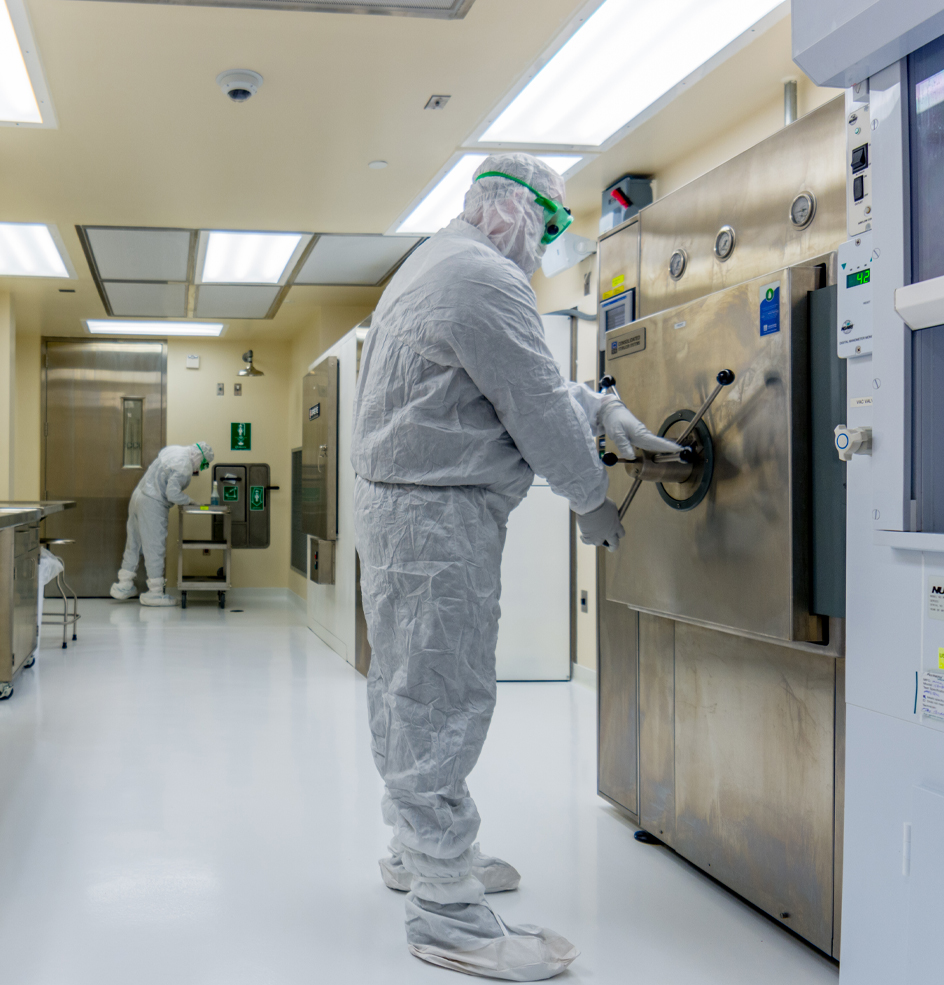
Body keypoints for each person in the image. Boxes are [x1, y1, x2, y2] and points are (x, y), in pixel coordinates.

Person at [352, 153, 679, 980]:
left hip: (404, 510)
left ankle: (418, 850)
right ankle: (447, 909)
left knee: (405, 686)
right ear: (519, 214)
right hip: (437, 518)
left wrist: (603, 406)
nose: (543, 249)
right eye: (549, 228)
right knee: (439, 692)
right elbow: (530, 402)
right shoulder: (484, 278)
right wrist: (590, 497)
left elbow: (503, 382)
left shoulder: (436, 260)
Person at [110, 442, 215, 607]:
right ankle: (155, 593)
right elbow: (172, 494)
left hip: (138, 495)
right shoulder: (184, 466)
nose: (199, 469)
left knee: (134, 543)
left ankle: (124, 584)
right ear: (200, 457)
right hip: (152, 503)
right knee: (154, 546)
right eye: (202, 465)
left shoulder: (174, 450)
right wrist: (190, 501)